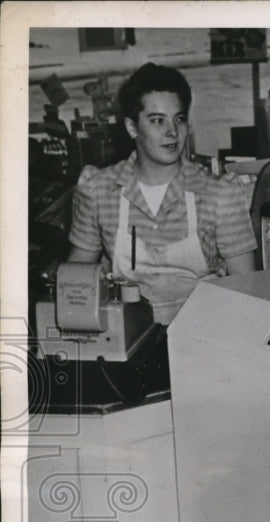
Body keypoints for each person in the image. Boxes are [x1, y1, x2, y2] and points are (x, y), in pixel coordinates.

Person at [68, 62, 258, 326]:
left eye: (178, 119)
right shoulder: (99, 190)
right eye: (157, 120)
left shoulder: (219, 194)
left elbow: (246, 290)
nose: (172, 132)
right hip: (129, 334)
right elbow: (77, 277)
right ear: (132, 128)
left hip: (205, 330)